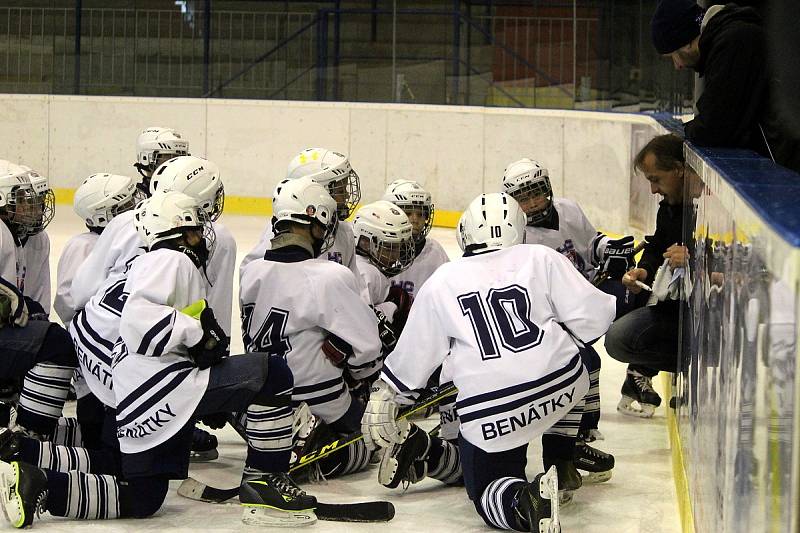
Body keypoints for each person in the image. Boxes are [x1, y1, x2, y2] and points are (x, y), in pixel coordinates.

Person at [0, 191, 319, 528]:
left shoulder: (152, 259)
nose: (202, 233)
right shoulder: (173, 259)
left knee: (139, 490)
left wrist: (197, 342)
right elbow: (139, 319)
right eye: (196, 226)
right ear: (181, 229)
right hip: (158, 388)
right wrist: (196, 334)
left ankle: (32, 466)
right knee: (272, 372)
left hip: (131, 383)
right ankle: (265, 482)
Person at [361, 192, 616, 532]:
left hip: (493, 411)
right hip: (564, 389)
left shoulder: (443, 280)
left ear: (464, 233)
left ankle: (526, 503)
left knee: (487, 488)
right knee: (579, 361)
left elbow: (413, 359)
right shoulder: (541, 256)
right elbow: (596, 319)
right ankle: (560, 459)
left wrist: (386, 395)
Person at [69, 155, 230, 461]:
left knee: (105, 443)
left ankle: (50, 443)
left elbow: (79, 293)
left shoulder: (123, 222)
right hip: (140, 358)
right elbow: (204, 311)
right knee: (132, 473)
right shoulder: (211, 241)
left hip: (93, 338)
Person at [501, 157, 635, 479]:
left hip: (586, 296)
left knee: (638, 298)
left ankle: (585, 430)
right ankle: (570, 445)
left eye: (537, 193)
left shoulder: (569, 209)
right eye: (523, 198)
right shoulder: (517, 236)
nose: (532, 203)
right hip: (556, 314)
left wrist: (610, 249)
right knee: (586, 363)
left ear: (547, 189)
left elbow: (591, 244)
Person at [240, 177, 382, 480]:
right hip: (321, 396)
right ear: (314, 221)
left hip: (261, 397)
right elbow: (368, 349)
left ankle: (283, 438)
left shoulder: (251, 271)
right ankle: (313, 438)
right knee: (370, 447)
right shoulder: (328, 276)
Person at [604, 133, 701, 417]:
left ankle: (683, 369)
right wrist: (643, 268)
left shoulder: (711, 206)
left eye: (656, 179)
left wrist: (694, 260)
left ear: (679, 170)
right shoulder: (670, 206)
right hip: (679, 308)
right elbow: (658, 244)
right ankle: (644, 370)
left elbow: (737, 264)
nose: (653, 190)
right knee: (618, 337)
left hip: (707, 313)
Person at [650, 0, 800, 173]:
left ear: (686, 42)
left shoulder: (733, 42)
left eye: (674, 56)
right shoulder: (730, 38)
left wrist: (688, 129)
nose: (678, 66)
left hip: (786, 157)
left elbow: (712, 126)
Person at [0, 161, 76, 438]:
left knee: (42, 335)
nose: (35, 209)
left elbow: (35, 302)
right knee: (54, 343)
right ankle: (27, 437)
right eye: (23, 200)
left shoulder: (33, 238)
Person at [240, 148, 369, 303]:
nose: (347, 196)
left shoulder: (344, 231)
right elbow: (252, 276)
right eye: (340, 190)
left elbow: (355, 290)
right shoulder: (282, 230)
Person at [352, 200, 416, 352]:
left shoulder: (366, 266)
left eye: (399, 247)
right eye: (389, 248)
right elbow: (360, 325)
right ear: (366, 243)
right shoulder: (365, 273)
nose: (396, 256)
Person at [381, 179, 450, 297]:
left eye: (420, 214)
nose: (415, 220)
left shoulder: (435, 253)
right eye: (408, 213)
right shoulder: (378, 250)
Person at [132, 126, 190, 194]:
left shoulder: (186, 192)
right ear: (145, 158)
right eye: (170, 158)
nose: (176, 164)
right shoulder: (137, 199)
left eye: (180, 157)